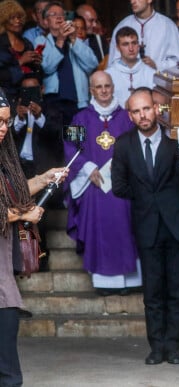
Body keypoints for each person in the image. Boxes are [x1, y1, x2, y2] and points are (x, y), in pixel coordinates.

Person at [111, 87, 179, 365]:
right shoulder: (124, 145)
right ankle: (156, 346)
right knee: (153, 292)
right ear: (130, 115)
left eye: (147, 108)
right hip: (147, 225)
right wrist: (146, 200)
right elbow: (118, 187)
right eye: (137, 111)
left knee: (178, 289)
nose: (143, 115)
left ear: (156, 109)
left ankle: (174, 346)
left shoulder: (178, 138)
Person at [0, 88, 67, 387]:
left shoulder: (4, 156)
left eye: (5, 122)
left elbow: (15, 189)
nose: (3, 128)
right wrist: (21, 216)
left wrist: (45, 177)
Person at [65, 71, 141, 296]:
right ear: (91, 90)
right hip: (93, 185)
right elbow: (69, 148)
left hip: (123, 186)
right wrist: (88, 168)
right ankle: (104, 282)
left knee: (126, 217)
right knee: (96, 214)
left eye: (107, 85)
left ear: (113, 87)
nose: (104, 90)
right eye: (99, 87)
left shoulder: (127, 117)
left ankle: (129, 280)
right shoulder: (78, 118)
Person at [12, 74, 64, 272]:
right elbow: (8, 138)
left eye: (33, 90)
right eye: (25, 91)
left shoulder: (51, 109)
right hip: (20, 169)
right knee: (16, 214)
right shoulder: (15, 111)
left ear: (41, 89)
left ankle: (40, 260)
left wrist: (40, 116)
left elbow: (58, 136)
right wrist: (19, 118)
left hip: (42, 170)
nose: (29, 95)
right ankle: (19, 261)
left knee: (38, 215)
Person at [34, 1, 98, 125]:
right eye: (53, 14)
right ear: (46, 22)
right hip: (53, 103)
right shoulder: (40, 41)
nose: (59, 17)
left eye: (62, 14)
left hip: (77, 103)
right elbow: (47, 67)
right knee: (56, 142)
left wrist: (74, 39)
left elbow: (92, 64)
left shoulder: (75, 40)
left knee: (76, 142)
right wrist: (60, 40)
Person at [108, 0, 179, 71]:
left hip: (158, 82)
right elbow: (112, 65)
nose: (132, 1)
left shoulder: (168, 26)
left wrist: (157, 65)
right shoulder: (122, 26)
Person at [0, 0, 43, 108]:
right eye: (12, 18)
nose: (17, 21)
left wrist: (37, 64)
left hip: (30, 97)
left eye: (19, 17)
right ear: (4, 20)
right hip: (7, 98)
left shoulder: (27, 43)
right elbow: (2, 75)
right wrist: (21, 61)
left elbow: (36, 74)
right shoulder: (1, 44)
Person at [105, 27, 155, 107]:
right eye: (125, 44)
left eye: (134, 43)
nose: (131, 48)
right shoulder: (108, 75)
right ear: (118, 47)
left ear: (138, 45)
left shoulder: (151, 73)